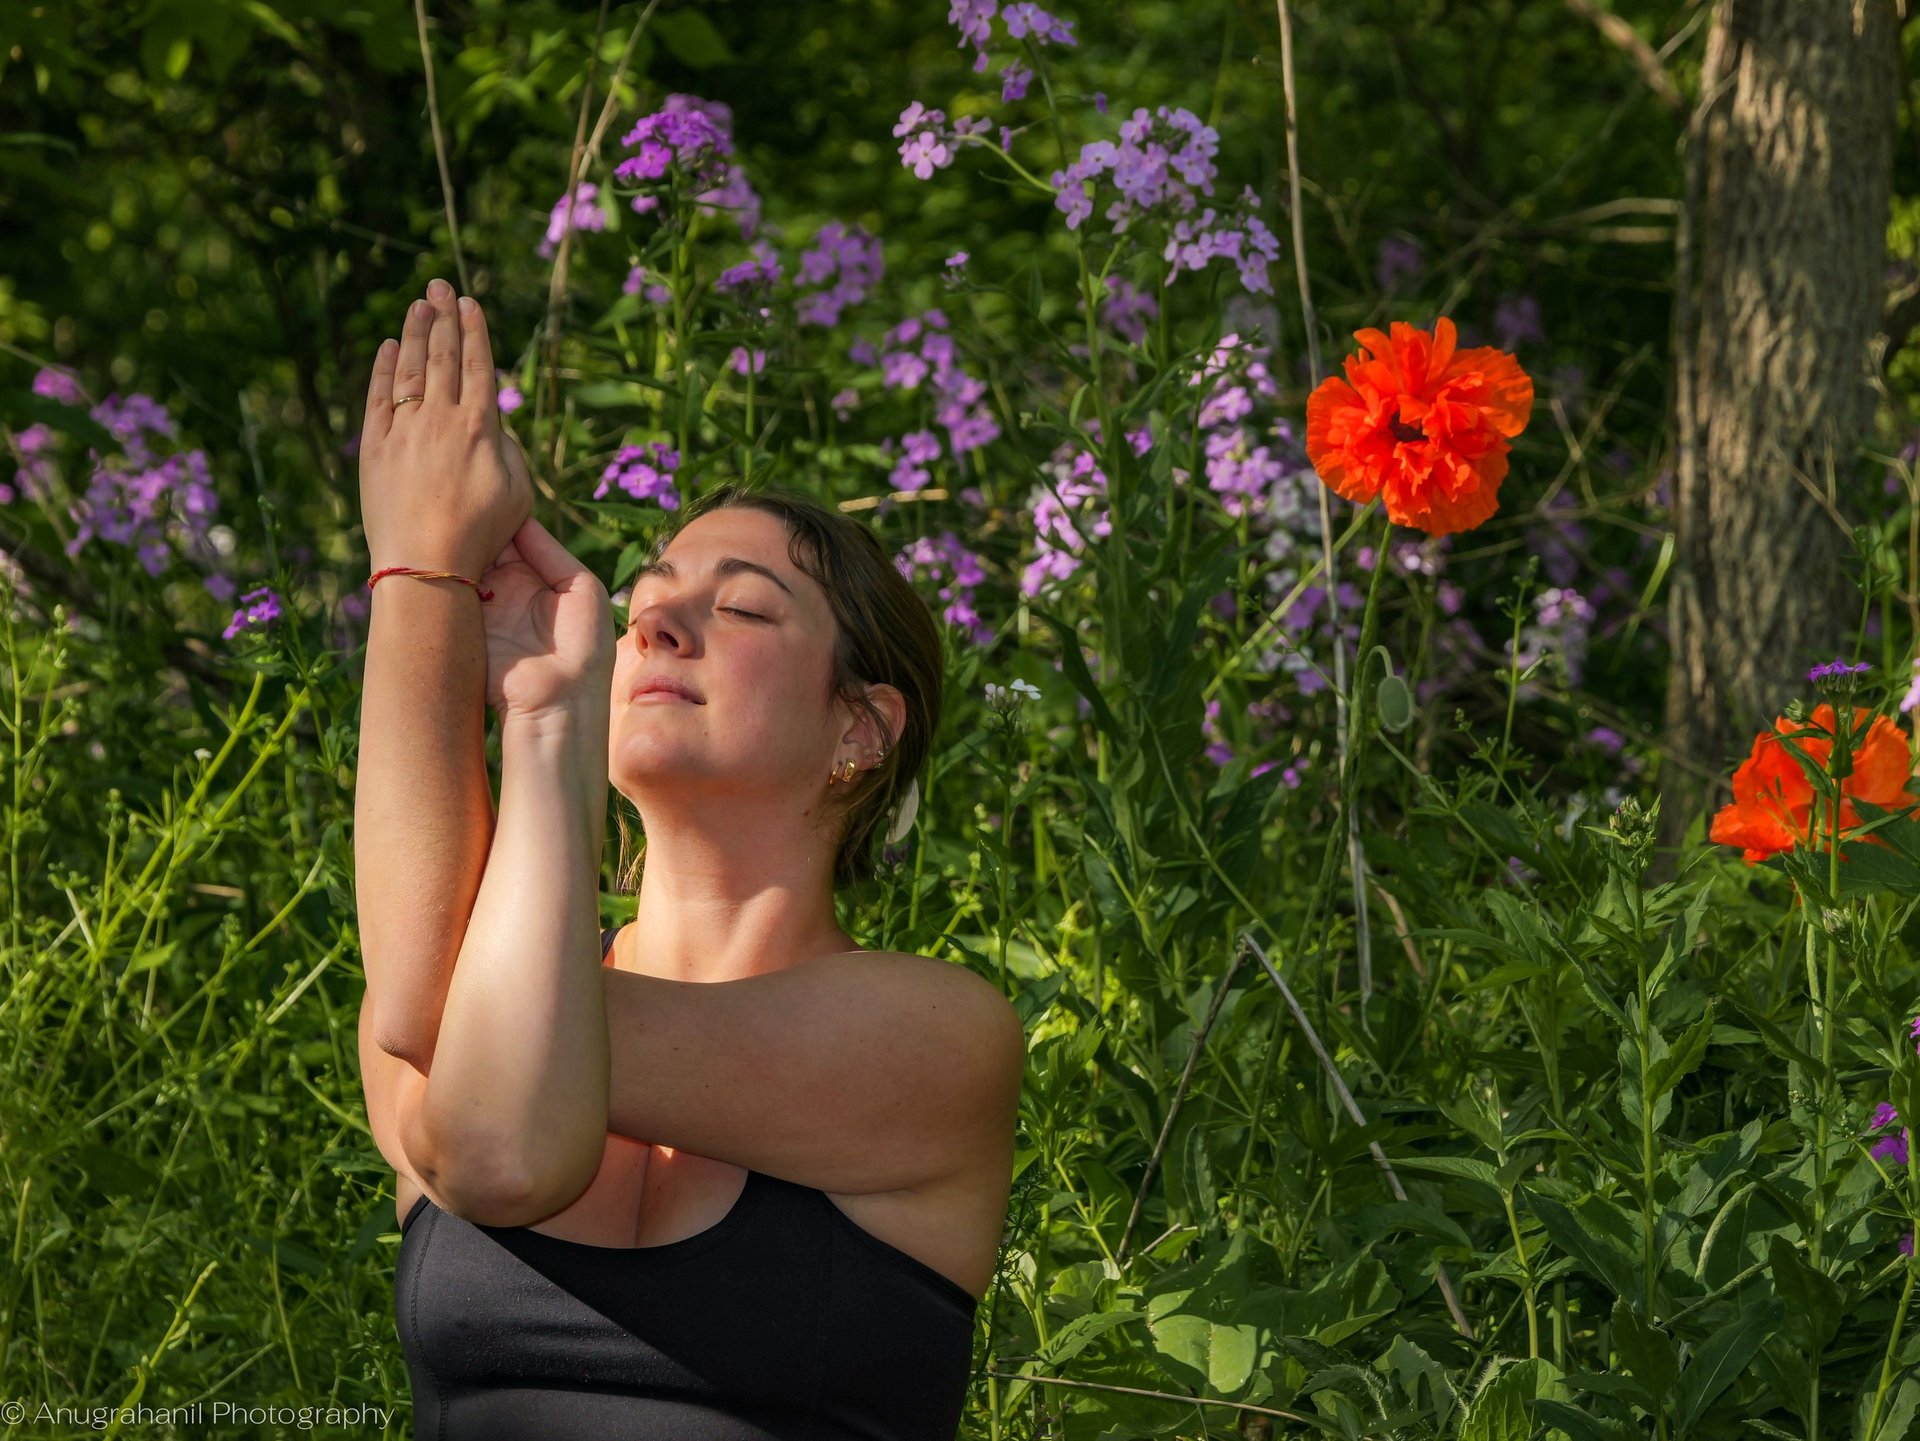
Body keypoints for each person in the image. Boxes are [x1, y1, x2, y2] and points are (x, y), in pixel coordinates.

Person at [353, 278, 1026, 1440]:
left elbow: (501, 1129)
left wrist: (428, 586)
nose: (658, 622)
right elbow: (427, 1015)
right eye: (651, 599)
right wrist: (446, 602)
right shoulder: (458, 979)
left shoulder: (938, 1036)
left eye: (748, 609)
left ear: (858, 730)